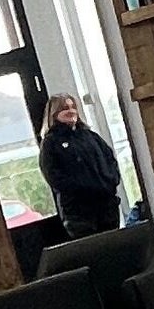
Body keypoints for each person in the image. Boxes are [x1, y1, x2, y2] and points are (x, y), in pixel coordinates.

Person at [37, 94, 123, 239]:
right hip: (78, 214)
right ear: (54, 114)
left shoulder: (91, 136)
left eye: (73, 107)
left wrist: (111, 181)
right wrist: (81, 189)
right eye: (65, 108)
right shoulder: (50, 143)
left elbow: (110, 159)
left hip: (107, 207)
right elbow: (53, 176)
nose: (71, 111)